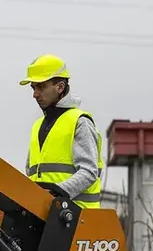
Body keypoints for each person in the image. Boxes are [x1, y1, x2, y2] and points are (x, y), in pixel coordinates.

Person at [19, 54, 104, 208]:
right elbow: (30, 173)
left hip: (76, 218)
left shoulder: (80, 121)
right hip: (45, 215)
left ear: (60, 87)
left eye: (41, 87)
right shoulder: (38, 126)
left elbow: (88, 172)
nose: (35, 94)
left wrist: (54, 194)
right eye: (33, 88)